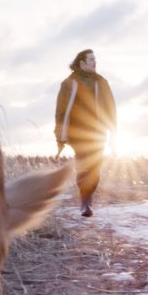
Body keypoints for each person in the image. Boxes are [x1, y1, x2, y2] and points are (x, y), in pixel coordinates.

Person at [54, 49, 117, 217]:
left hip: (97, 132)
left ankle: (87, 197)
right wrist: (59, 133)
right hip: (77, 132)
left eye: (95, 59)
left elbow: (110, 108)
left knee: (94, 167)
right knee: (84, 164)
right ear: (81, 62)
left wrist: (113, 131)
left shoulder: (101, 82)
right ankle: (85, 202)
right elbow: (60, 110)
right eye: (91, 59)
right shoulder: (69, 83)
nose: (94, 62)